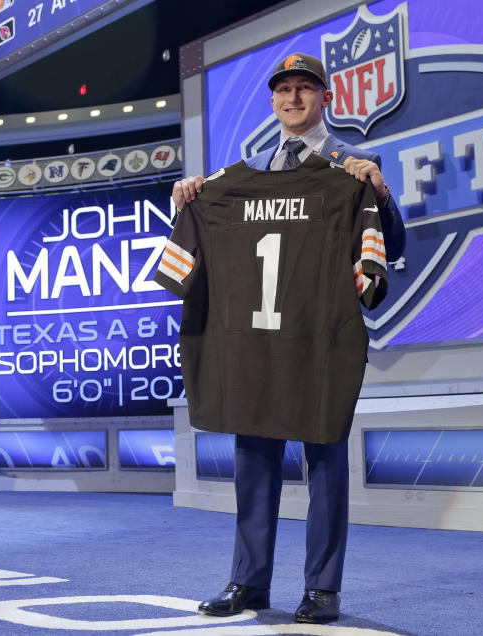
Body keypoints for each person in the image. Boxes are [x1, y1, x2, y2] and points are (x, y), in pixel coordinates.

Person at [171, 53, 406, 624]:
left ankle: (323, 588)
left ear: (324, 98)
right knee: (253, 459)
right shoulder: (242, 171)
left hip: (318, 340)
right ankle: (247, 582)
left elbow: (390, 249)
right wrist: (189, 198)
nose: (293, 98)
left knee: (325, 459)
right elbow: (205, 236)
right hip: (255, 341)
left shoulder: (353, 166)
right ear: (273, 101)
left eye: (305, 89)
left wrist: (379, 192)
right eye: (284, 90)